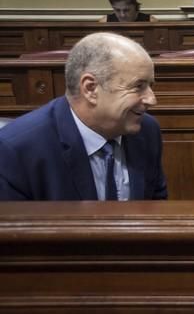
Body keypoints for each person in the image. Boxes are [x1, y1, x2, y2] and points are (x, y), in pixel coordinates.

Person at [0, 32, 167, 200]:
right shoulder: (16, 150)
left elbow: (156, 208)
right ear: (90, 89)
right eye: (138, 86)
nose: (152, 99)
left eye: (150, 86)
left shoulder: (147, 131)